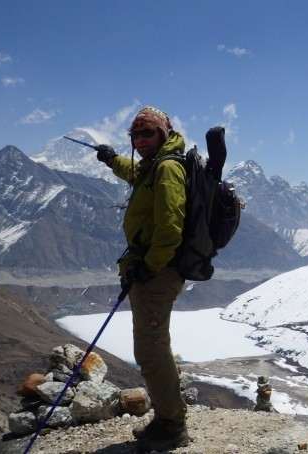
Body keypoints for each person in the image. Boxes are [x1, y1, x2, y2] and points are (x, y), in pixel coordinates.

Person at [95, 105, 189, 451]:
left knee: (151, 351)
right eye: (135, 134)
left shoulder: (166, 169)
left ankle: (172, 426)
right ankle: (168, 419)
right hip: (152, 270)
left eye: (147, 132)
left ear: (163, 133)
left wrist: (148, 267)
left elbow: (170, 227)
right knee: (152, 348)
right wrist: (111, 160)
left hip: (158, 274)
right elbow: (136, 174)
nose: (140, 139)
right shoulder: (153, 166)